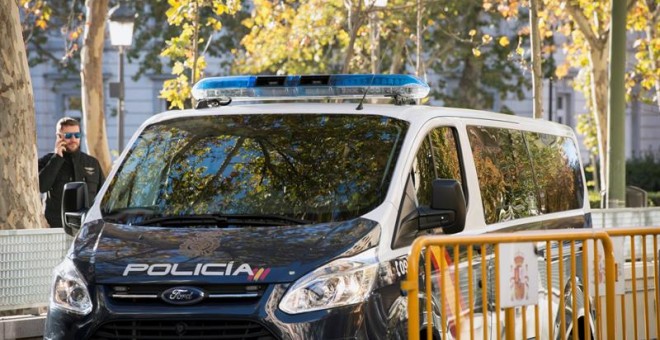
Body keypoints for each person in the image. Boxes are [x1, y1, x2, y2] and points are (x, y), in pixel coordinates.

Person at [38, 117, 105, 228]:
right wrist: (57, 158)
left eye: (77, 135)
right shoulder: (47, 160)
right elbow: (42, 187)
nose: (73, 139)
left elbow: (103, 196)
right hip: (57, 228)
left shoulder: (92, 163)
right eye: (68, 136)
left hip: (87, 228)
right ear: (59, 137)